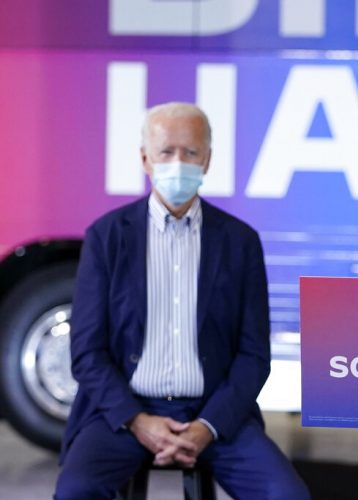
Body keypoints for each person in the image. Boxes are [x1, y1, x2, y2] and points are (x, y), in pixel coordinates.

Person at [55, 102, 310, 499]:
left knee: (287, 495)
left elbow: (254, 354)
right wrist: (139, 420)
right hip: (121, 414)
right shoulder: (107, 237)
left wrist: (206, 427)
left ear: (207, 160)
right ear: (145, 159)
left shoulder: (239, 242)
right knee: (76, 491)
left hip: (216, 415)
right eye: (166, 152)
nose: (179, 162)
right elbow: (87, 352)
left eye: (191, 152)